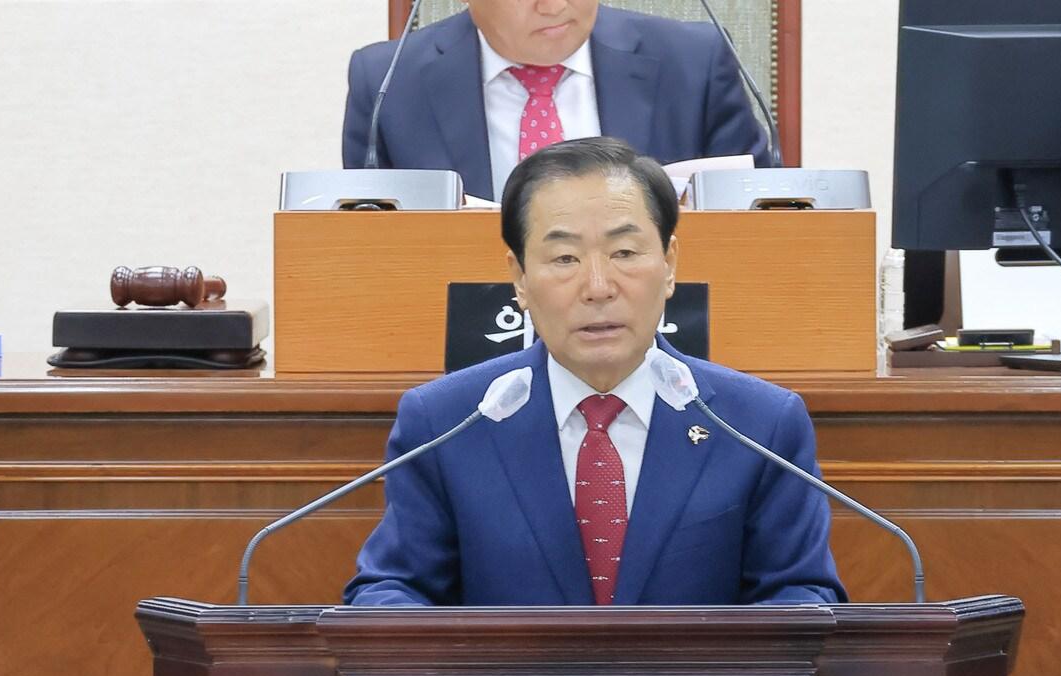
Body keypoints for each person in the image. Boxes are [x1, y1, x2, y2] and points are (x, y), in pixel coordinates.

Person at [344, 137, 842, 607]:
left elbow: (801, 596)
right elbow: (390, 588)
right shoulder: (447, 422)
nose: (598, 287)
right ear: (519, 278)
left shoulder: (759, 424)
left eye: (625, 253)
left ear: (669, 264)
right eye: (565, 258)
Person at [342, 0, 770, 200]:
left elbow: (761, 223)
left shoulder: (693, 63)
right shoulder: (388, 84)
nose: (554, 6)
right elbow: (367, 247)